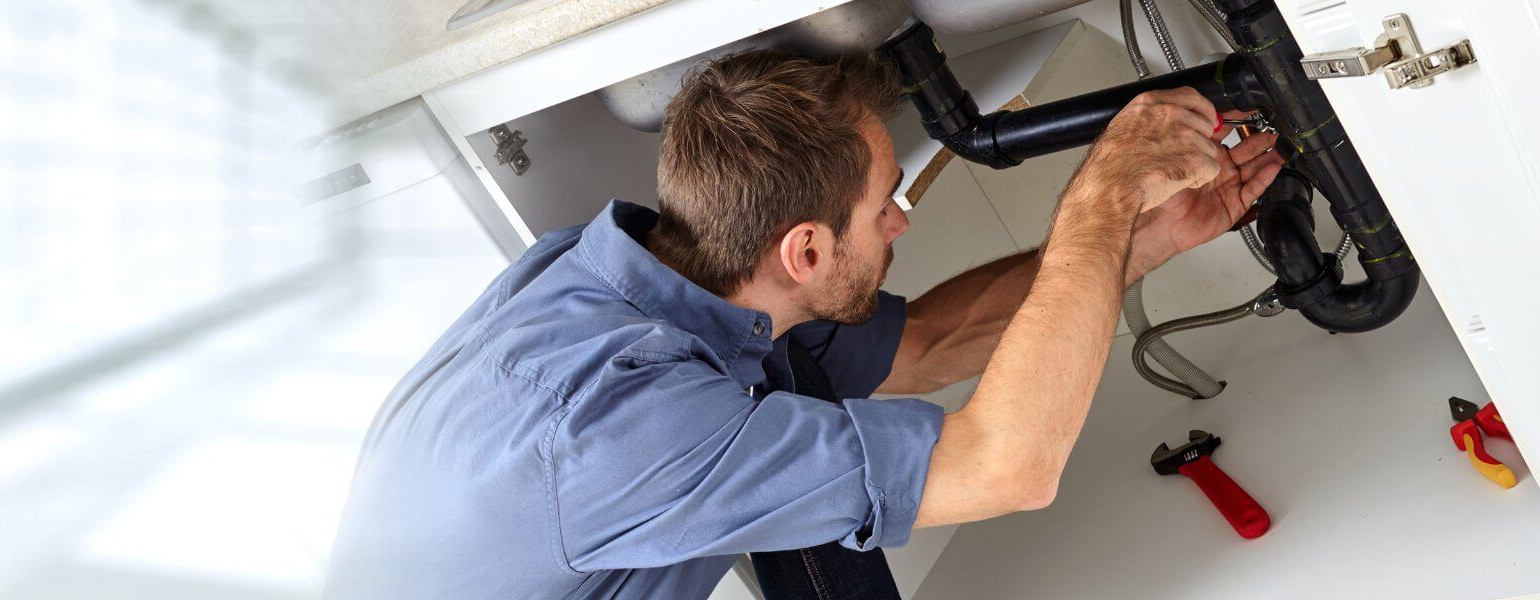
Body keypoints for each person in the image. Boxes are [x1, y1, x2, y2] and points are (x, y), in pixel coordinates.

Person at [322, 50, 1284, 599]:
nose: (903, 220)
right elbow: (1008, 467)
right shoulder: (631, 427)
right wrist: (1100, 199)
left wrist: (1142, 241)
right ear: (807, 252)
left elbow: (922, 351)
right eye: (885, 205)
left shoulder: (633, 279)